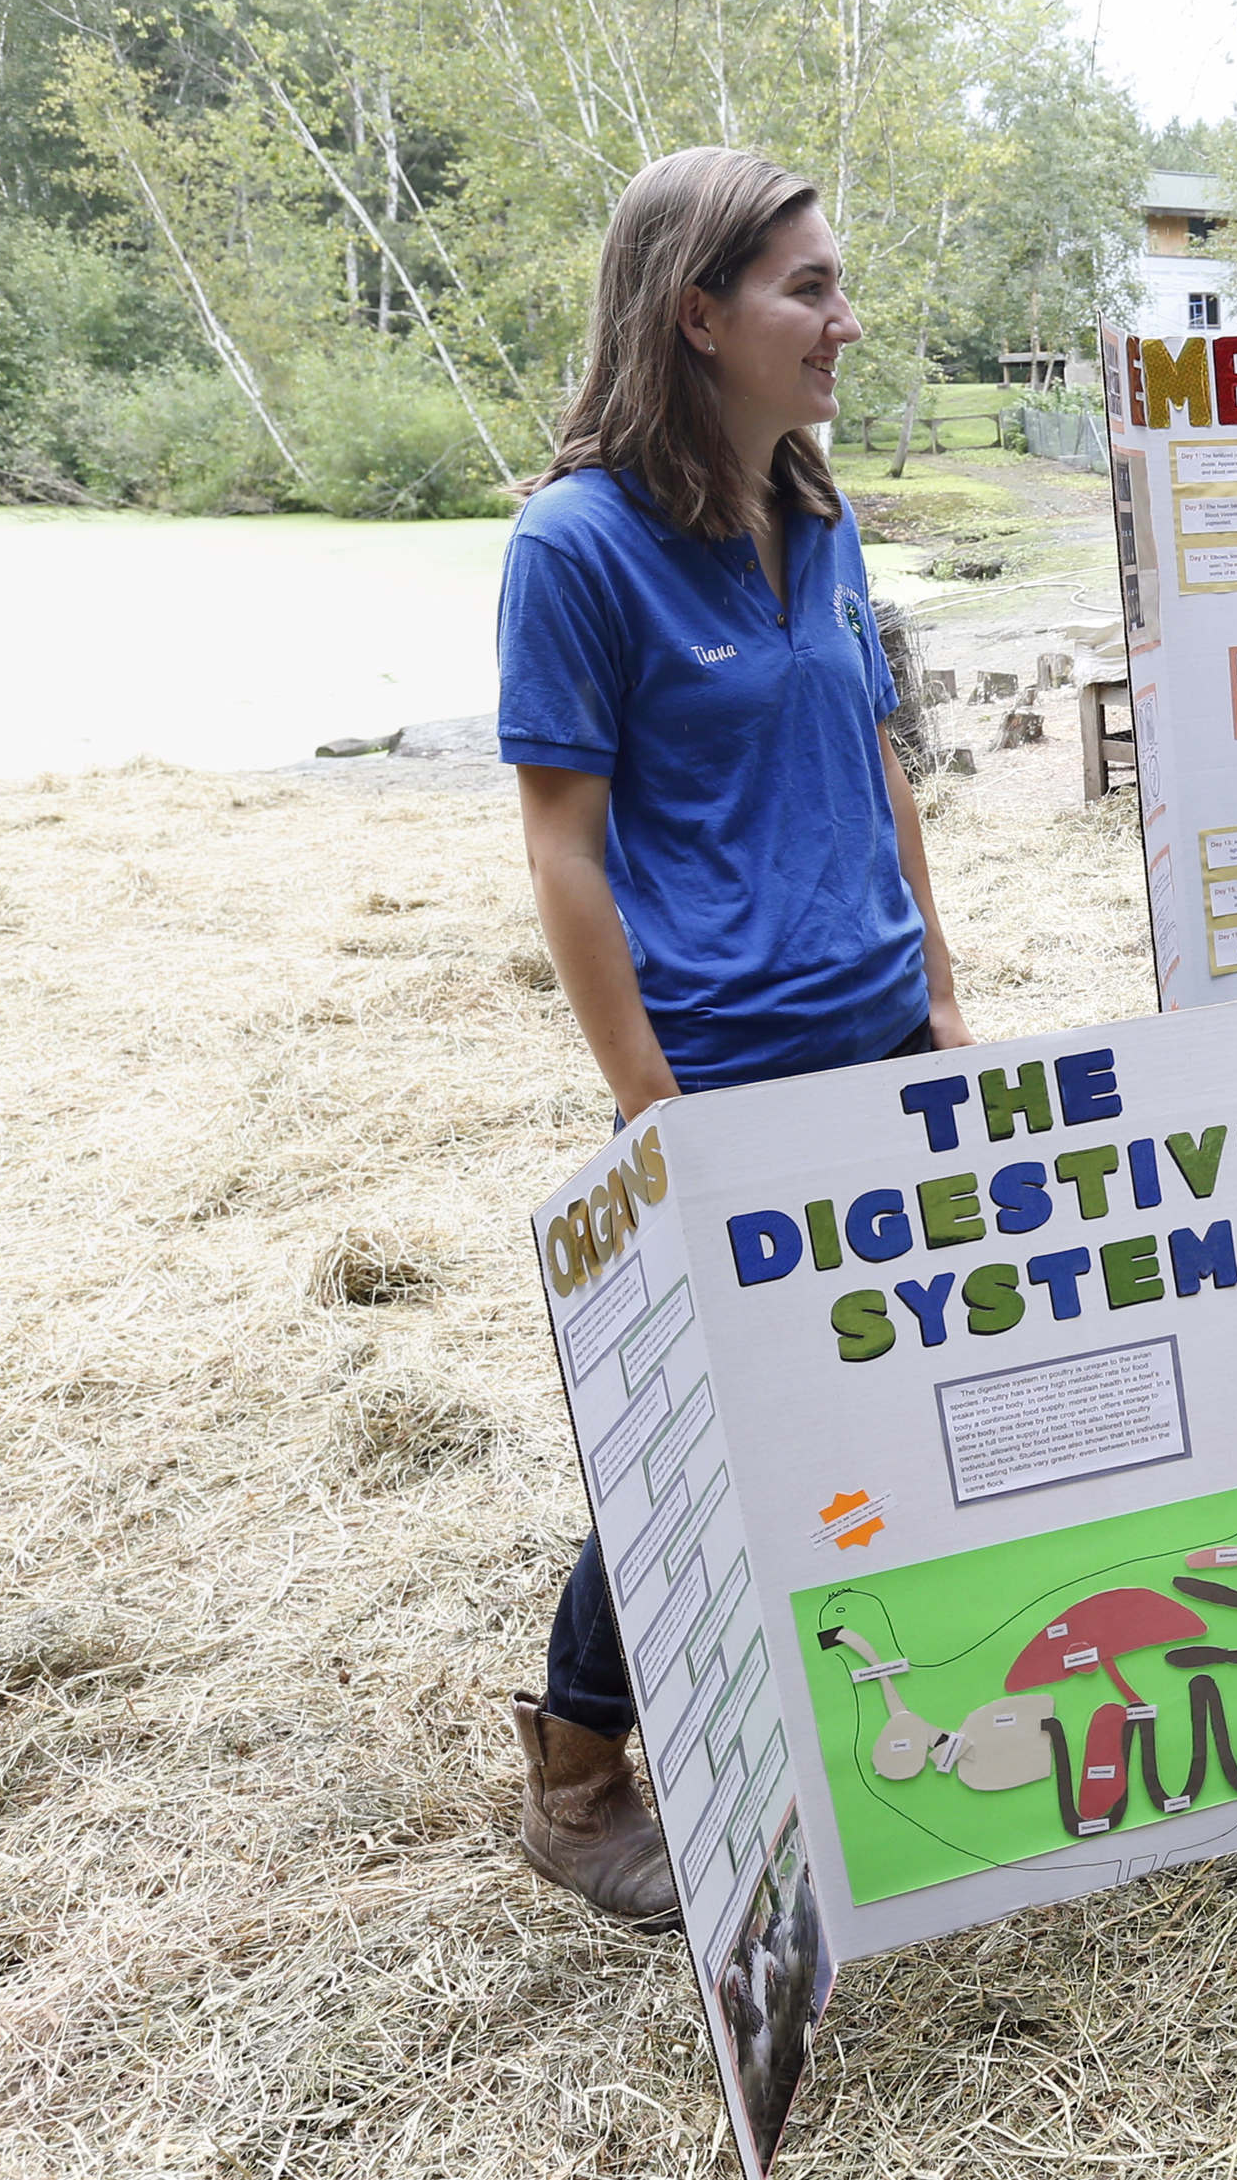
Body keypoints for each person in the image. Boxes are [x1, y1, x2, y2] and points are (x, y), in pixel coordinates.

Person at [496, 147, 970, 1927]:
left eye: (837, 284)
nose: (846, 320)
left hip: (877, 1032)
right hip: (723, 1067)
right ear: (697, 314)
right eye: (809, 291)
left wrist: (938, 992)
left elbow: (874, 762)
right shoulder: (575, 549)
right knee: (701, 1421)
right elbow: (563, 850)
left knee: (861, 1381)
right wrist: (650, 1108)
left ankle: (815, 1692)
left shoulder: (822, 517)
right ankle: (576, 1768)